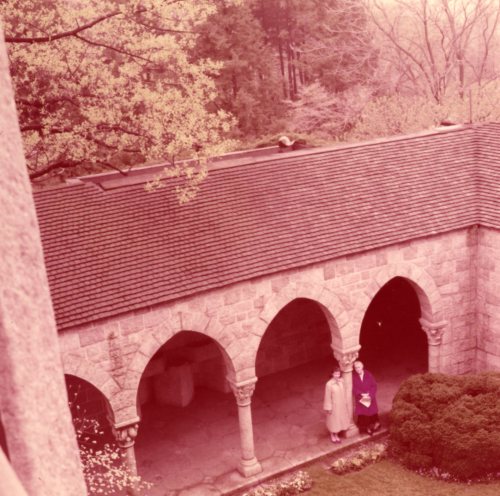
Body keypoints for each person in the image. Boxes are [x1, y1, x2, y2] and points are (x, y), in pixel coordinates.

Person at [352, 360, 380, 435]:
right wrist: (361, 394)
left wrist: (370, 394)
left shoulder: (368, 374)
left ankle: (374, 425)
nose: (357, 369)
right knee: (364, 415)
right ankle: (367, 428)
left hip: (369, 397)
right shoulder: (353, 377)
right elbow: (353, 388)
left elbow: (374, 385)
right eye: (356, 368)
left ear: (362, 367)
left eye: (359, 367)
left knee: (372, 413)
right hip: (361, 398)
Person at [323, 368, 350, 443]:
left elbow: (344, 391)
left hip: (341, 404)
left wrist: (345, 402)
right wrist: (329, 407)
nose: (337, 375)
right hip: (334, 405)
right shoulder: (329, 384)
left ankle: (336, 434)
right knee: (333, 421)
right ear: (332, 374)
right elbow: (327, 396)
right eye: (335, 374)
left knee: (339, 420)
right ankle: (332, 434)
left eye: (338, 374)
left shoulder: (341, 381)